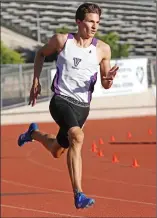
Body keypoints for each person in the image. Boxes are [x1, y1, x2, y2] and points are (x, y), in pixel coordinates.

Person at [18, 2, 119, 209]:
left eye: (97, 22)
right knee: (78, 137)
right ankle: (79, 194)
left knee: (57, 150)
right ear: (79, 21)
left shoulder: (103, 49)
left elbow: (105, 84)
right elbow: (40, 54)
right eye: (90, 22)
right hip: (61, 100)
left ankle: (33, 134)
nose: (94, 26)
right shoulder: (62, 40)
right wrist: (36, 80)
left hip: (82, 108)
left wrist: (108, 79)